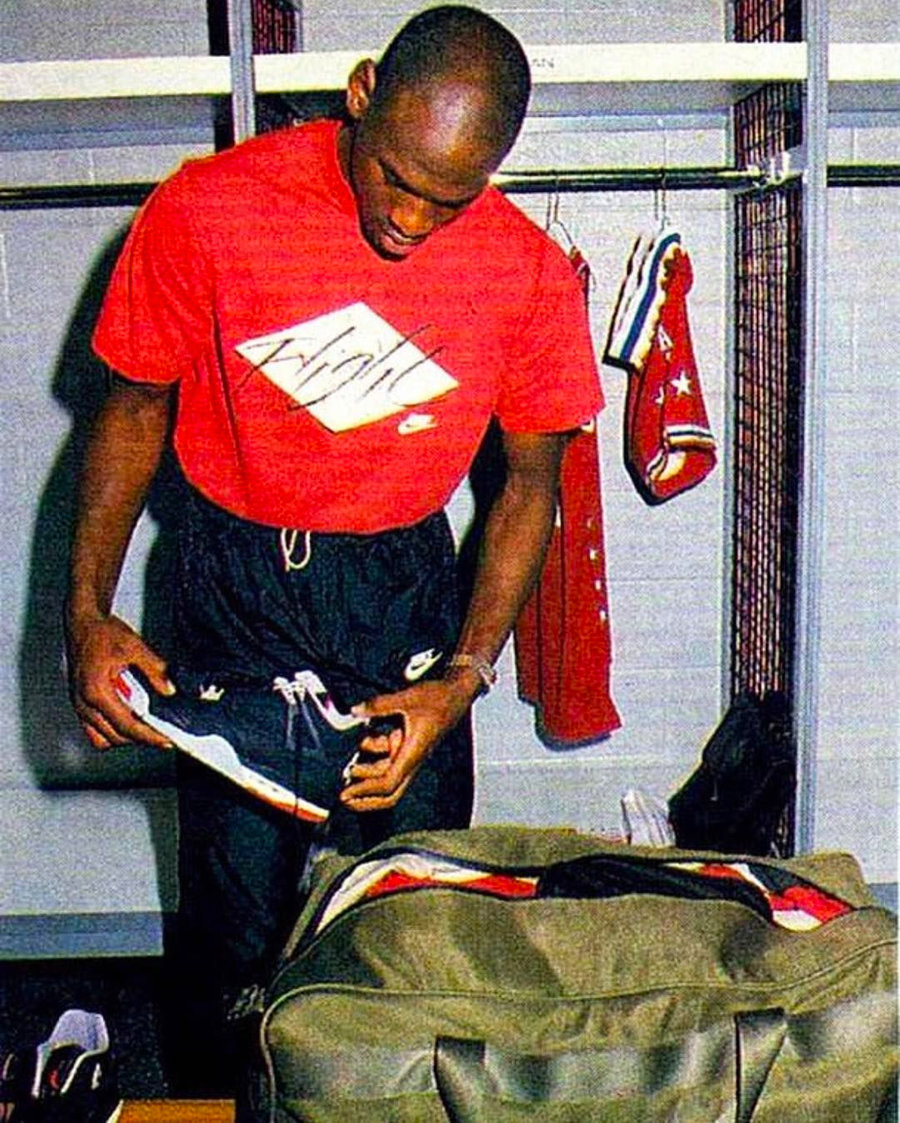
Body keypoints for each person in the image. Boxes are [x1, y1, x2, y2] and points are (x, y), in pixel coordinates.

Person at [64, 2, 604, 1094]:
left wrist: (463, 676)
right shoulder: (211, 209)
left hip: (401, 586)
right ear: (362, 94)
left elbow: (529, 487)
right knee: (234, 930)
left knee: (418, 912)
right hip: (234, 577)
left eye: (449, 197)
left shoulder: (526, 271)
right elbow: (132, 409)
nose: (409, 219)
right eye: (396, 177)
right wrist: (85, 611)